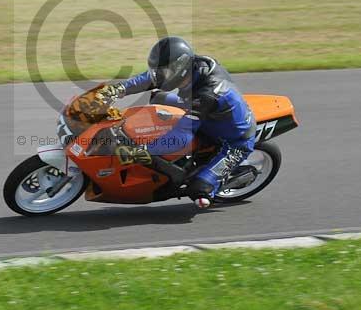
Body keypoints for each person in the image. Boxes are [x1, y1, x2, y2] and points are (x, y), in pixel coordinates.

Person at [98, 36, 256, 208]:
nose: (161, 75)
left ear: (179, 67)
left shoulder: (207, 94)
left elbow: (181, 138)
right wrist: (117, 90)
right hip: (207, 115)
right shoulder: (191, 67)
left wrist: (139, 151)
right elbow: (151, 78)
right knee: (157, 97)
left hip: (234, 140)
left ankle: (212, 182)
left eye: (165, 72)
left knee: (199, 190)